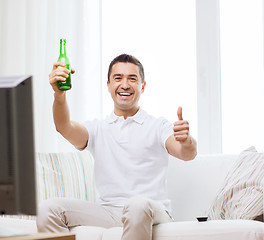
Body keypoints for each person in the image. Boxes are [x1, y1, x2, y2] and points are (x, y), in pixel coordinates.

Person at [36, 54, 197, 240]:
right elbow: (64, 127)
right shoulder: (97, 128)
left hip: (152, 210)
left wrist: (187, 141)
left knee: (137, 205)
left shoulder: (158, 126)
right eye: (118, 78)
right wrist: (59, 94)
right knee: (47, 209)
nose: (125, 84)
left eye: (132, 79)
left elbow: (187, 154)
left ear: (143, 86)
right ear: (108, 85)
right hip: (109, 212)